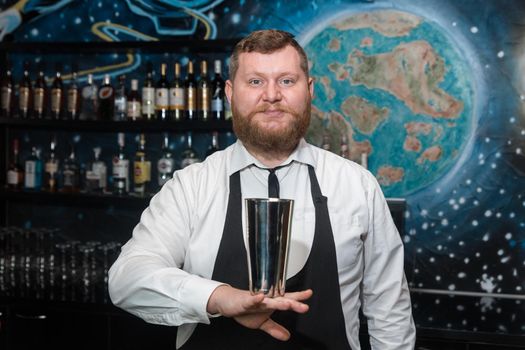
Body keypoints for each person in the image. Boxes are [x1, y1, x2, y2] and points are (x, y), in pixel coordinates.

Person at [108, 29, 416, 349]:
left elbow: (389, 307)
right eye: (255, 81)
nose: (271, 95)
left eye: (286, 80)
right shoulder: (191, 186)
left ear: (309, 90)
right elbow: (127, 279)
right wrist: (218, 297)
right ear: (229, 92)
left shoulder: (357, 185)